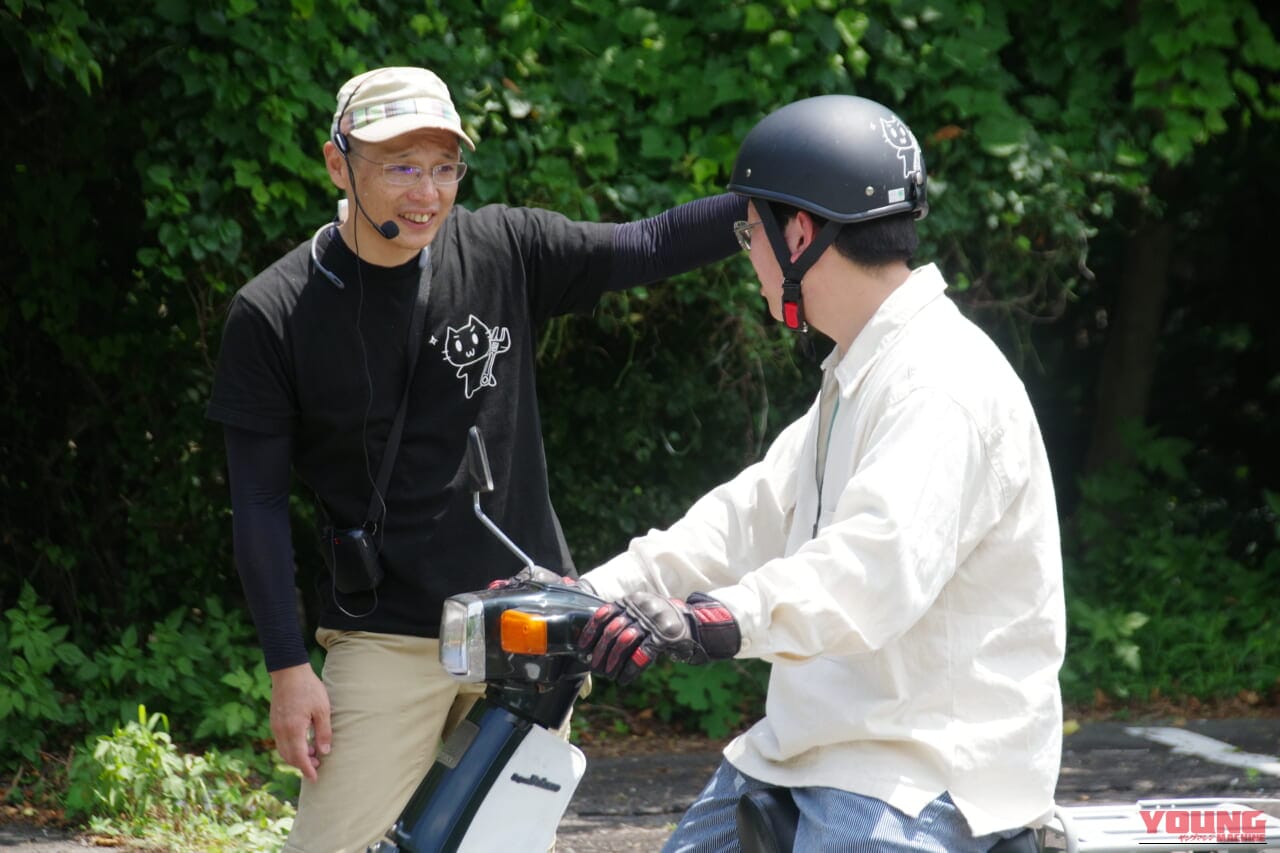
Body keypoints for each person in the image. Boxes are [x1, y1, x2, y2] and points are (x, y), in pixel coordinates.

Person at [206, 65, 745, 852]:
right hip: (386, 635)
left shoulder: (502, 249)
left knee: (497, 842)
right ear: (337, 163)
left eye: (444, 166)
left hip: (525, 629)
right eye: (400, 166)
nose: (427, 192)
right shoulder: (274, 312)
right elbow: (254, 504)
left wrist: (777, 197)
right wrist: (288, 667)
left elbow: (648, 243)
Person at [574, 94, 1066, 851]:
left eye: (751, 232)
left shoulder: (939, 382)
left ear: (798, 233)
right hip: (811, 745)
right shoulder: (863, 367)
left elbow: (868, 572)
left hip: (919, 764)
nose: (749, 255)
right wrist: (589, 593)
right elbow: (750, 513)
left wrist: (715, 618)